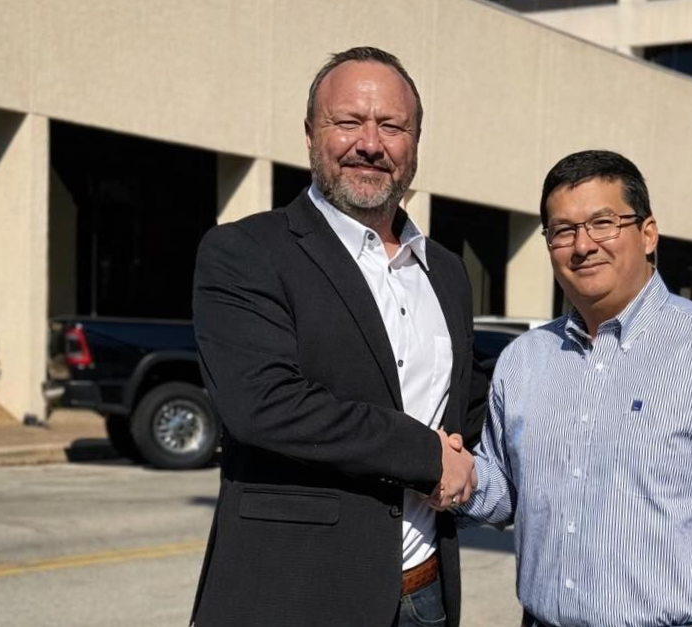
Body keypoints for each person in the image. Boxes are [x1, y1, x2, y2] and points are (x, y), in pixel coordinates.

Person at [190, 46, 485, 627]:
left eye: (392, 126)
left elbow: (464, 403)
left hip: (425, 594)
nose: (371, 143)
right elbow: (265, 405)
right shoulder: (245, 252)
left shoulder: (445, 270)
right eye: (348, 122)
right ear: (309, 134)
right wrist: (427, 457)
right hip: (294, 597)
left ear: (415, 142)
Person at [455, 150, 692, 627]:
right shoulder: (524, 360)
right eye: (563, 230)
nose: (583, 245)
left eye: (603, 223)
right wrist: (457, 477)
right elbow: (506, 494)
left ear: (647, 234)